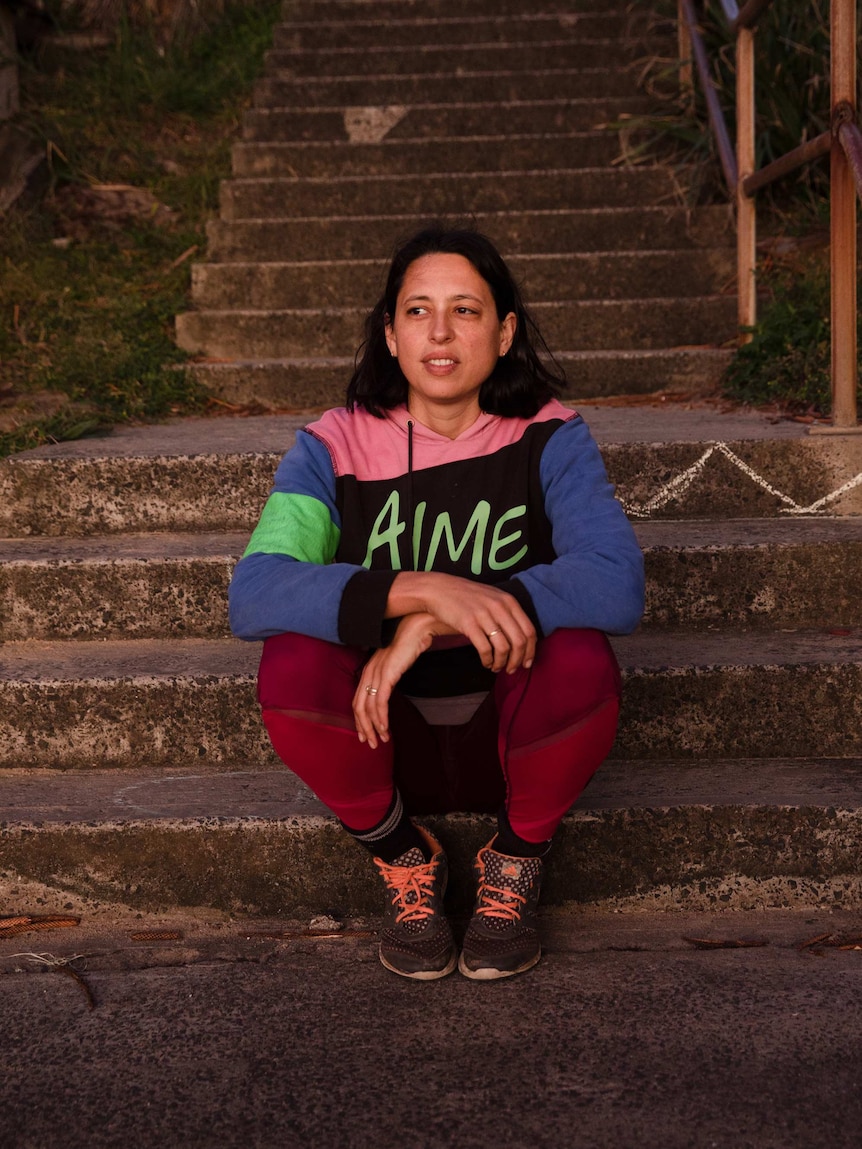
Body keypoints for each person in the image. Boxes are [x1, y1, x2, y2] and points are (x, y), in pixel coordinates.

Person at [229, 225, 644, 981]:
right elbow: (256, 590)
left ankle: (516, 861)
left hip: (517, 741)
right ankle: (401, 855)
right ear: (389, 334)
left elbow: (616, 578)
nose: (442, 333)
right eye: (418, 311)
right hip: (379, 736)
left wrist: (427, 622)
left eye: (467, 309)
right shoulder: (333, 446)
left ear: (505, 329)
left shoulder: (550, 435)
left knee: (581, 652)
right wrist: (420, 587)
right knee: (291, 656)